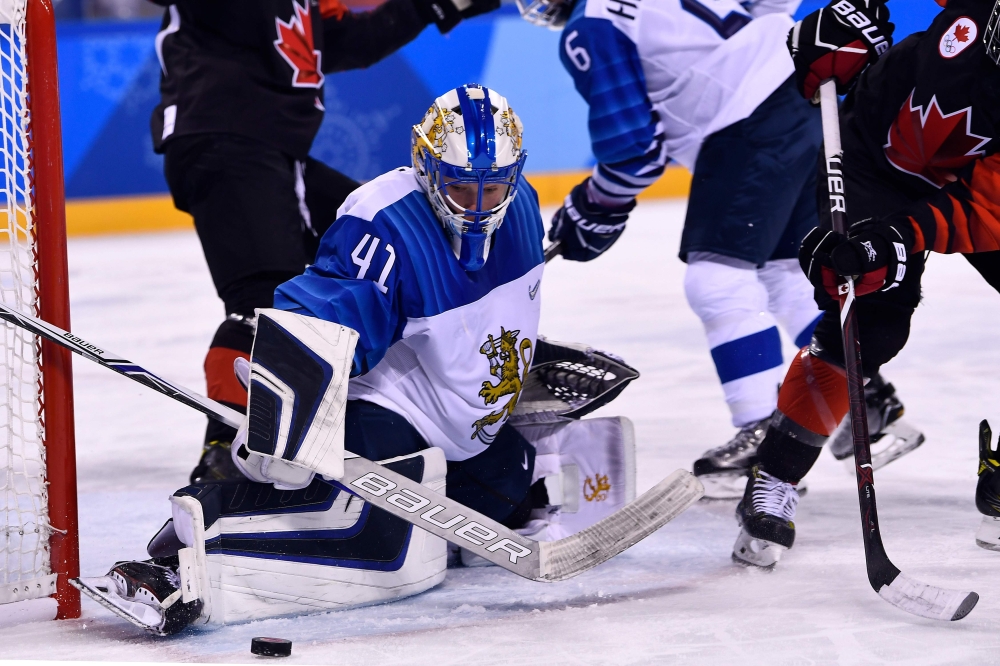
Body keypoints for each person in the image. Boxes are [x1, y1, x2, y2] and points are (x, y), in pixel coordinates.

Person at [73, 85, 639, 633]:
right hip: (391, 419)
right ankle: (181, 553)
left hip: (469, 438)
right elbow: (324, 316)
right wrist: (286, 415)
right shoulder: (385, 223)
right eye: (461, 188)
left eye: (492, 189)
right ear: (426, 166)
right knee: (358, 531)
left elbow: (495, 314)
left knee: (504, 497)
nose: (476, 206)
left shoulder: (523, 208)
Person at [514, 0, 914, 498]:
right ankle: (863, 397)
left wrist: (593, 208)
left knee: (716, 279)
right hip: (810, 88)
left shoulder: (593, 21)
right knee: (788, 273)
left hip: (748, 118)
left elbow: (633, 151)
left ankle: (762, 433)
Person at [147, 0, 500, 484]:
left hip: (273, 151)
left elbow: (344, 42)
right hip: (225, 138)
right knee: (264, 307)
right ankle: (224, 460)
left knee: (382, 248)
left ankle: (415, 412)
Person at [735, 0, 1000, 566]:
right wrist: (859, 13)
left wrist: (900, 236)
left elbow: (985, 211)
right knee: (867, 320)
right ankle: (774, 475)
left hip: (968, 192)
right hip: (870, 162)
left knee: (875, 282)